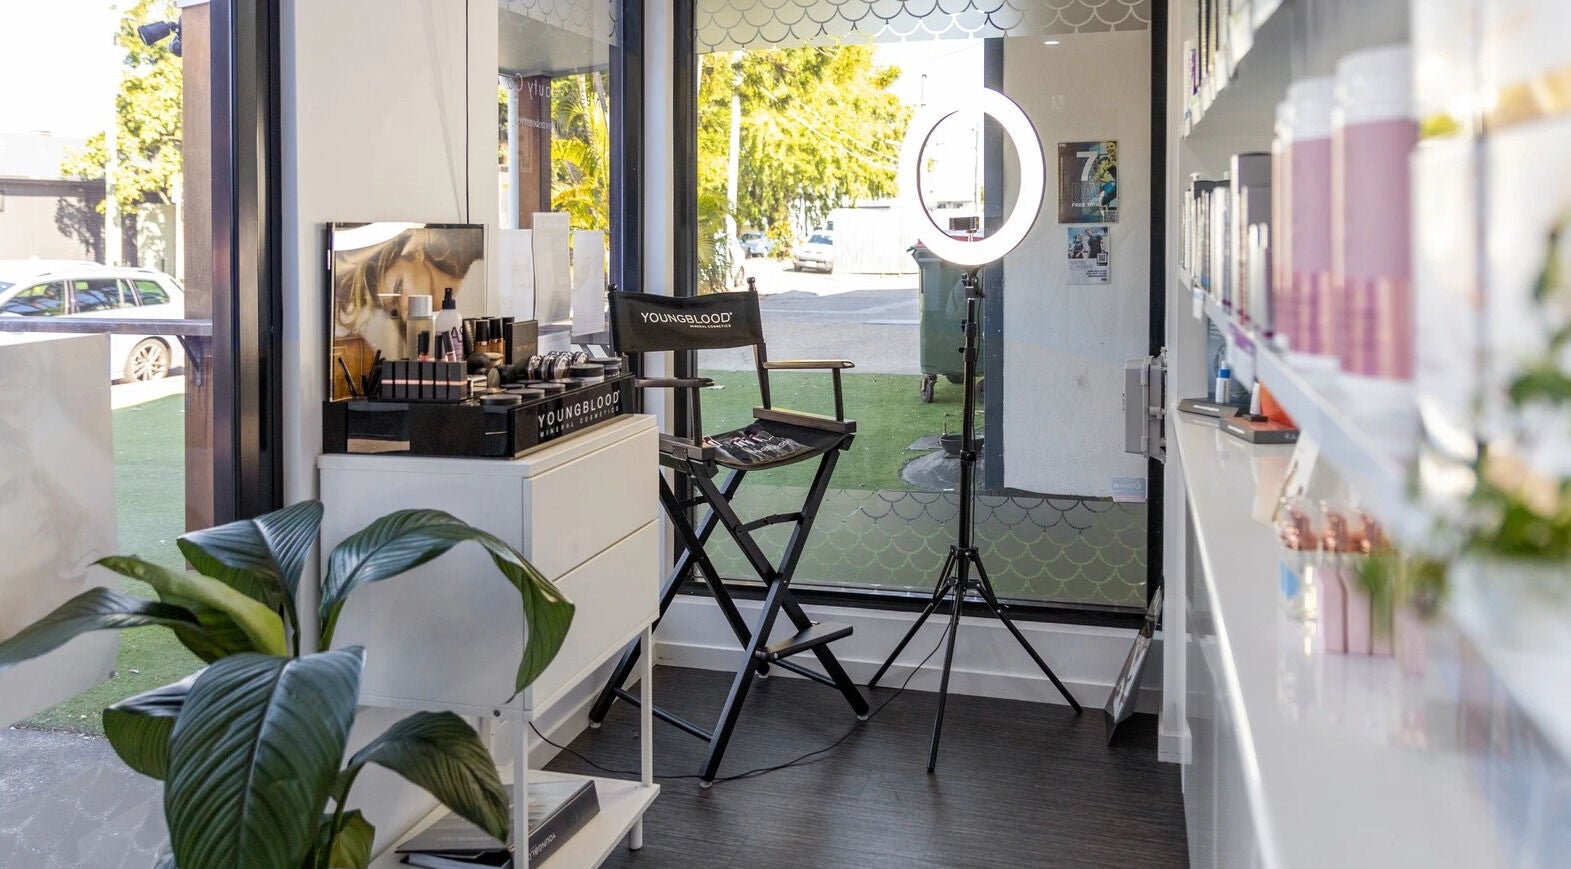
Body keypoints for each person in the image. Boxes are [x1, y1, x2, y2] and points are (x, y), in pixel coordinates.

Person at [330, 225, 484, 399]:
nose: (403, 307)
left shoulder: (477, 280)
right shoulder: (424, 329)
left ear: (417, 253)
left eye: (399, 286)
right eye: (394, 308)